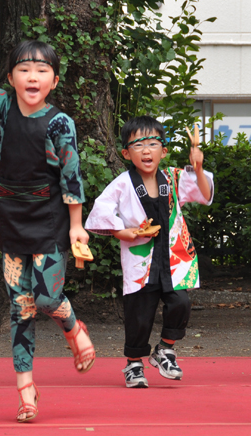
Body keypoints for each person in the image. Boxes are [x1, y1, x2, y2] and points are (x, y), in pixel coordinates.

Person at [0, 40, 95, 423]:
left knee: (46, 299)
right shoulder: (1, 104)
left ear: (54, 81)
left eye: (42, 70)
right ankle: (26, 391)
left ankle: (73, 327)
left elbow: (71, 175)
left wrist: (77, 226)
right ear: (10, 78)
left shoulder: (61, 122)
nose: (33, 76)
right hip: (9, 215)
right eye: (24, 69)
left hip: (51, 218)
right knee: (20, 307)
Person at [84, 116, 213, 388]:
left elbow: (204, 194)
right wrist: (124, 232)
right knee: (139, 315)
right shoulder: (122, 183)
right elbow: (101, 211)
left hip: (174, 259)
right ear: (126, 153)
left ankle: (165, 349)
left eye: (153, 143)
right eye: (138, 144)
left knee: (181, 303)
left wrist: (198, 169)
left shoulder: (174, 178)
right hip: (141, 261)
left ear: (163, 151)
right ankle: (133, 363)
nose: (146, 150)